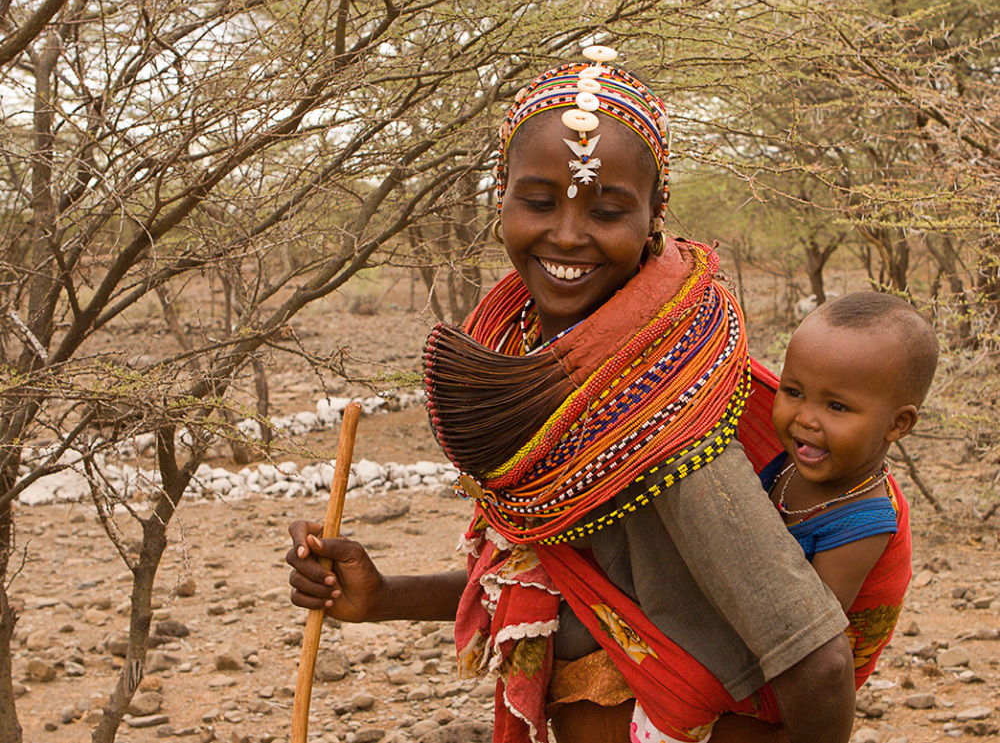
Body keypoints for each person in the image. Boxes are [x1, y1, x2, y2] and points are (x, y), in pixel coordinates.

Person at [287, 47, 855, 743]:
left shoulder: (659, 418)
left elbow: (818, 664)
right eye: (538, 202)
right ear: (500, 198)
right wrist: (381, 596)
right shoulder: (541, 372)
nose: (566, 234)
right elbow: (563, 582)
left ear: (655, 217)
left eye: (607, 211)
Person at [630, 291, 938, 742]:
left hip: (790, 676)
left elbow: (807, 637)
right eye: (793, 392)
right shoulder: (793, 462)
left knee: (681, 688)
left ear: (898, 425)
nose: (804, 419)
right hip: (757, 628)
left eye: (837, 407)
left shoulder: (862, 524)